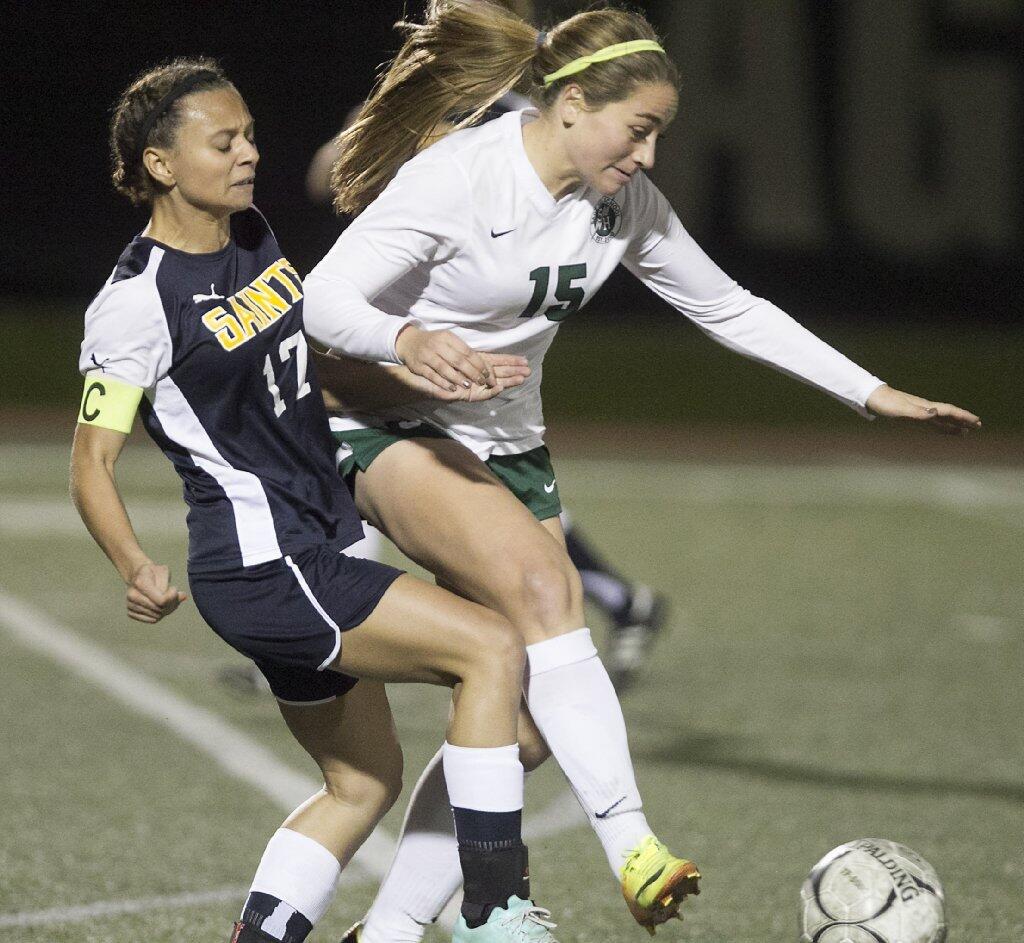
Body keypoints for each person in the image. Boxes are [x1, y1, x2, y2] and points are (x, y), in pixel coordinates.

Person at [300, 3, 982, 941]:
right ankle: (633, 843)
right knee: (548, 590)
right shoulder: (460, 176)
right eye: (641, 130)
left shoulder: (621, 203)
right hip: (382, 423)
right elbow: (322, 299)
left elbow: (730, 307)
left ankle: (387, 932)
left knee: (523, 724)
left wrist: (871, 393)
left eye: (658, 134)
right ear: (572, 104)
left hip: (506, 441)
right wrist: (408, 337)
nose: (649, 156)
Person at [70, 57, 566, 943]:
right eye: (222, 141)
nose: (249, 152)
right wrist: (134, 563)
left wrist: (425, 371)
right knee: (493, 651)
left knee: (363, 782)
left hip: (311, 552)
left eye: (250, 134)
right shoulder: (135, 304)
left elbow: (308, 376)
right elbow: (91, 461)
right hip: (267, 565)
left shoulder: (252, 234)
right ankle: (494, 914)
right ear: (159, 163)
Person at [300, 0, 668, 693]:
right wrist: (391, 125)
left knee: (470, 494)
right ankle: (614, 600)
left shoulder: (519, 112)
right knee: (392, 472)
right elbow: (328, 174)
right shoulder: (444, 100)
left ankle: (609, 603)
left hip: (465, 334)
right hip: (396, 314)